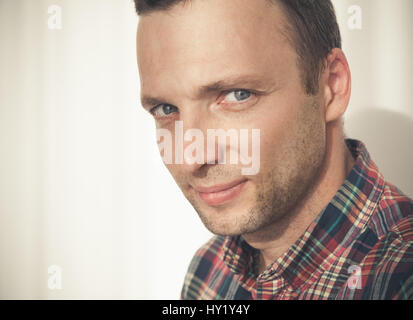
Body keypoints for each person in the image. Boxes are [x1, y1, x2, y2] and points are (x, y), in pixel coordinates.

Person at [134, 0, 413, 299]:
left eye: (237, 95)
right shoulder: (207, 273)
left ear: (331, 86)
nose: (191, 158)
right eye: (165, 108)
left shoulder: (401, 278)